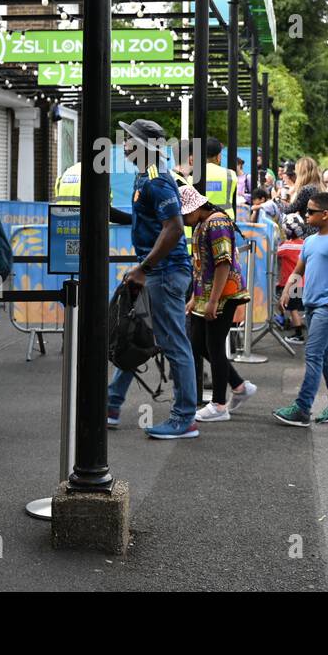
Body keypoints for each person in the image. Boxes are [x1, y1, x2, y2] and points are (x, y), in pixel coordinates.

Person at [106, 119, 200, 439]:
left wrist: (142, 268)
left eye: (129, 140)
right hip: (157, 272)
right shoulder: (144, 178)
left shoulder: (156, 180)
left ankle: (185, 417)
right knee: (138, 336)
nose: (123, 145)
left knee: (174, 344)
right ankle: (112, 402)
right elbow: (148, 218)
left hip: (164, 273)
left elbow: (173, 229)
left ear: (145, 146)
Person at [275, 192, 328, 426]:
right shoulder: (310, 241)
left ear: (326, 214)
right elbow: (299, 269)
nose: (306, 215)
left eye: (310, 211)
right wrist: (289, 288)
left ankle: (302, 407)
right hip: (311, 305)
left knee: (313, 355)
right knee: (324, 355)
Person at [180, 185, 258, 422]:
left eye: (185, 214)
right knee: (200, 344)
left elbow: (223, 263)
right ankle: (238, 386)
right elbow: (201, 267)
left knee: (213, 346)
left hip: (222, 295)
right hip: (209, 295)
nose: (184, 219)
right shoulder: (203, 224)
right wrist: (196, 298)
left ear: (196, 208)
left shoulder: (216, 223)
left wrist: (213, 301)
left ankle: (219, 404)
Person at [276, 212, 307, 343]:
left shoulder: (286, 246)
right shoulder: (305, 244)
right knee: (295, 306)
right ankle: (290, 321)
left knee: (292, 308)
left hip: (291, 282)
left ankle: (298, 333)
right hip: (303, 281)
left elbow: (274, 252)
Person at [198, 136, 239, 212]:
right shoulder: (230, 174)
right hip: (225, 220)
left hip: (201, 220)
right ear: (218, 156)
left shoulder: (194, 174)